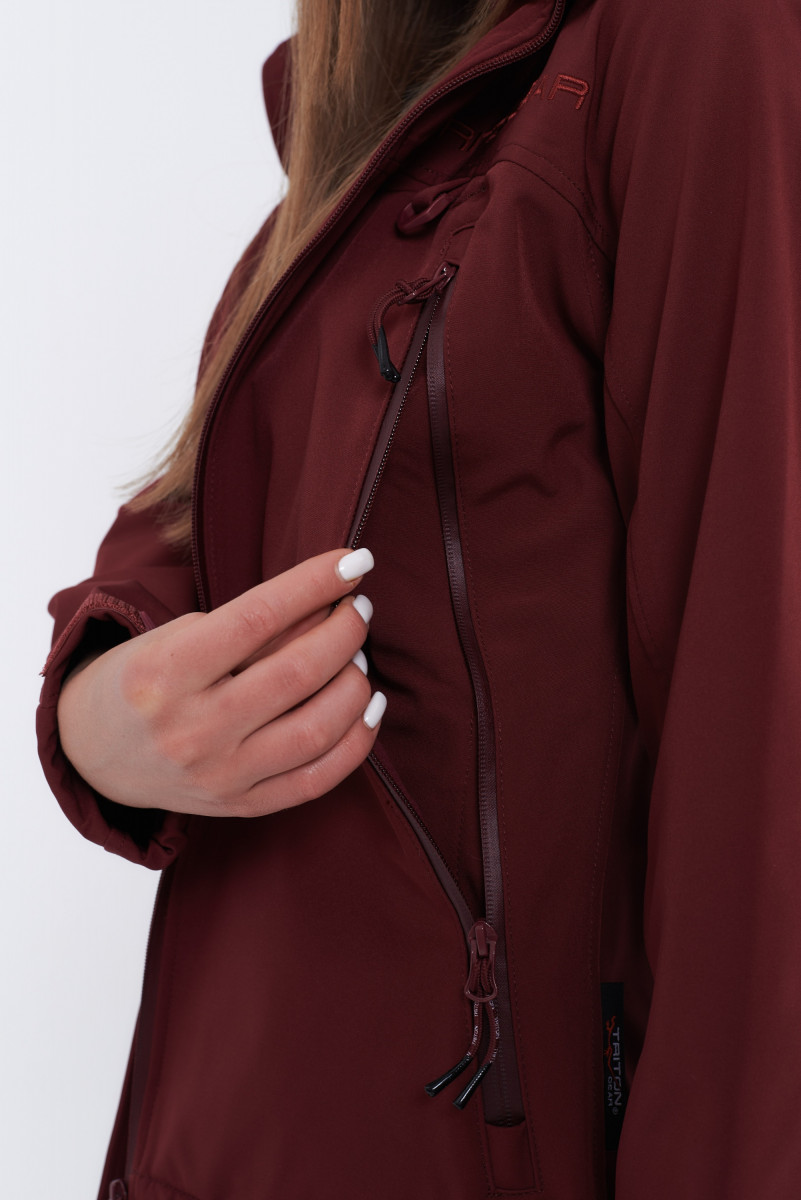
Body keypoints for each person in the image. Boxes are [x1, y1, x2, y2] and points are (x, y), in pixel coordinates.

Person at [37, 0, 801, 1197]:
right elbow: (199, 515)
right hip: (213, 1141)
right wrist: (100, 715)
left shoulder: (693, 38)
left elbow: (758, 733)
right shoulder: (388, 104)